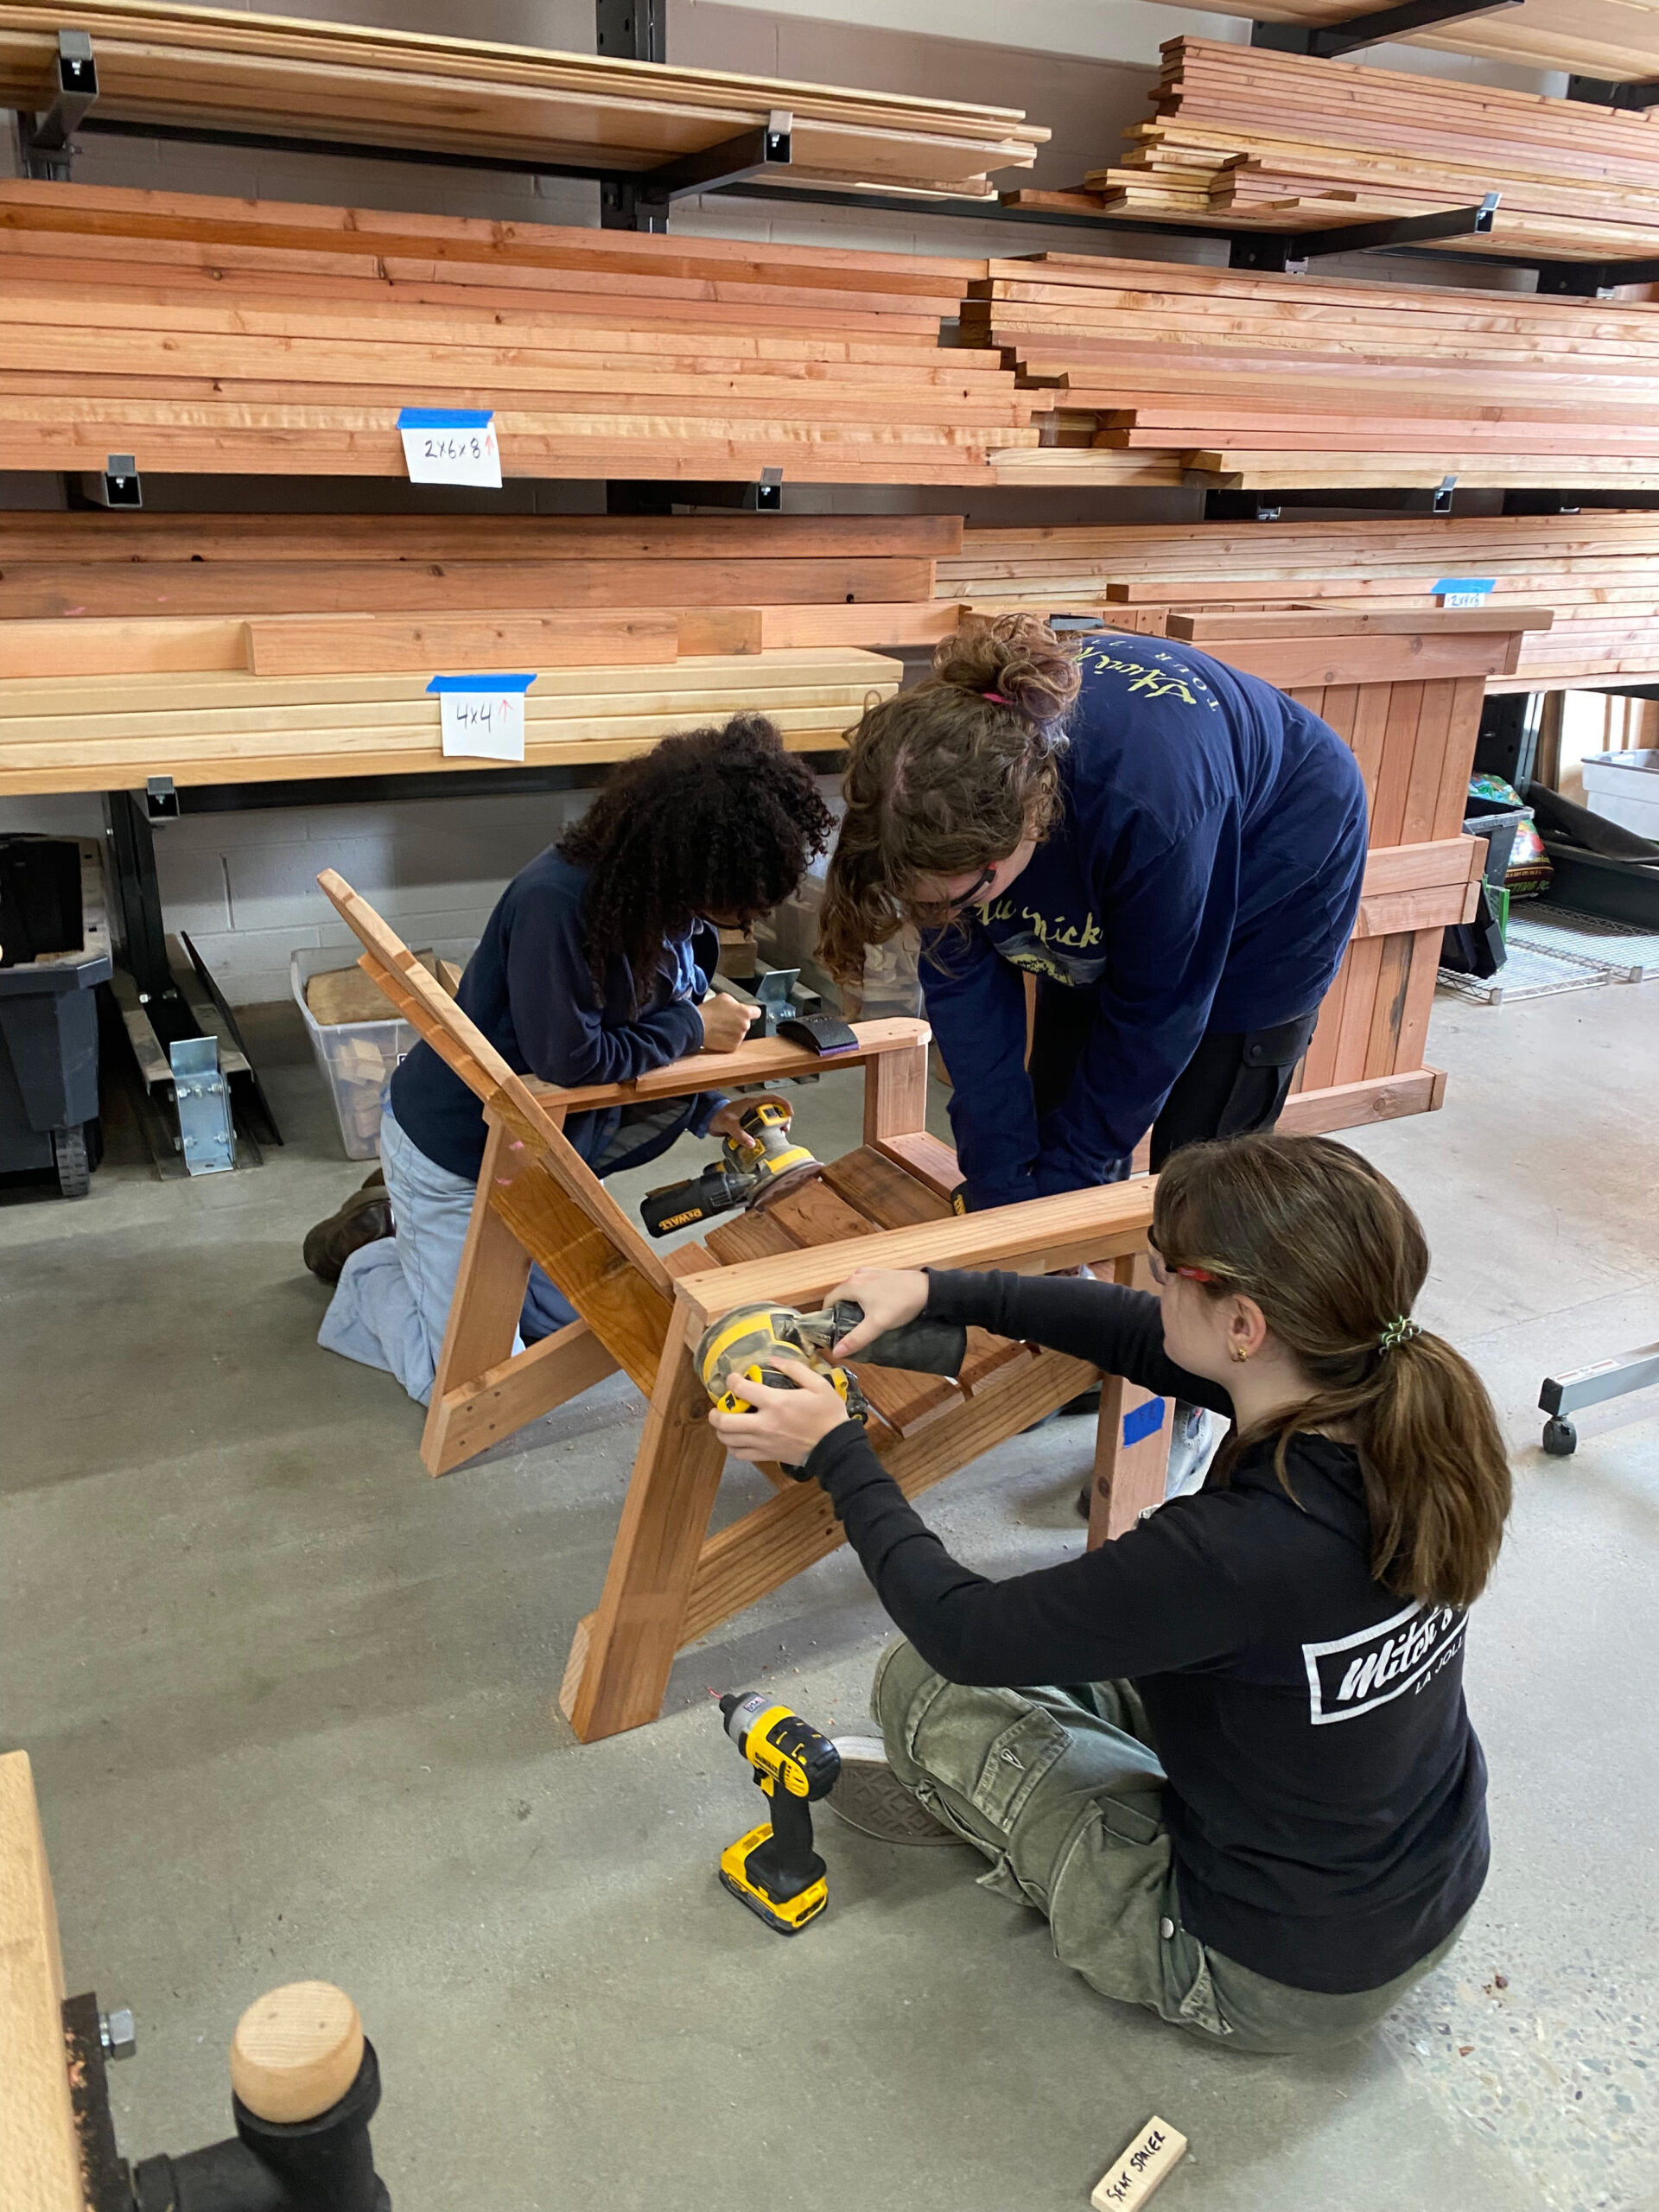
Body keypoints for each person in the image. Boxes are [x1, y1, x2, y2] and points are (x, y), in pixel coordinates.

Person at [709, 1133, 1510, 2056]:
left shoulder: (1238, 1551)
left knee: (922, 1688)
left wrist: (834, 1449)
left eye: (1168, 1272)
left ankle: (1055, 1821)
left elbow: (960, 1632)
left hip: (1264, 1975)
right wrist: (938, 1290)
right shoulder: (1392, 1399)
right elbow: (1138, 1332)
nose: (1154, 1286)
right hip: (1416, 1886)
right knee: (1101, 1648)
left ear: (1245, 1327)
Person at [308, 716, 833, 1405]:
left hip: (540, 1153)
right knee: (475, 1386)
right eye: (730, 905)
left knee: (571, 1334)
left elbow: (647, 1021)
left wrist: (708, 1108)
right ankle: (374, 1271)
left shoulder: (670, 903)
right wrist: (693, 1029)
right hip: (459, 1154)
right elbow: (573, 1059)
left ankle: (418, 1250)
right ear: (684, 861)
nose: (737, 923)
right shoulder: (557, 903)